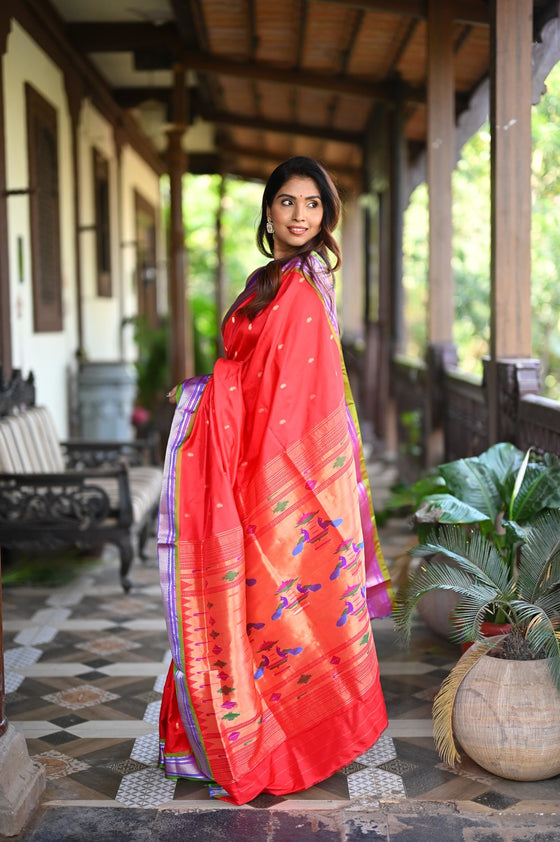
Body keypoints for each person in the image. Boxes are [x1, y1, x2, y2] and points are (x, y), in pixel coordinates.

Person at [157, 156, 394, 805]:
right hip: (257, 452)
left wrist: (214, 394)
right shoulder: (275, 277)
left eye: (312, 204)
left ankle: (280, 742)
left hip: (284, 469)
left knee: (277, 601)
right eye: (287, 202)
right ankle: (247, 735)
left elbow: (289, 389)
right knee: (258, 603)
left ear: (327, 214)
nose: (299, 215)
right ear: (269, 211)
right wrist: (214, 392)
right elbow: (255, 368)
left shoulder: (303, 284)